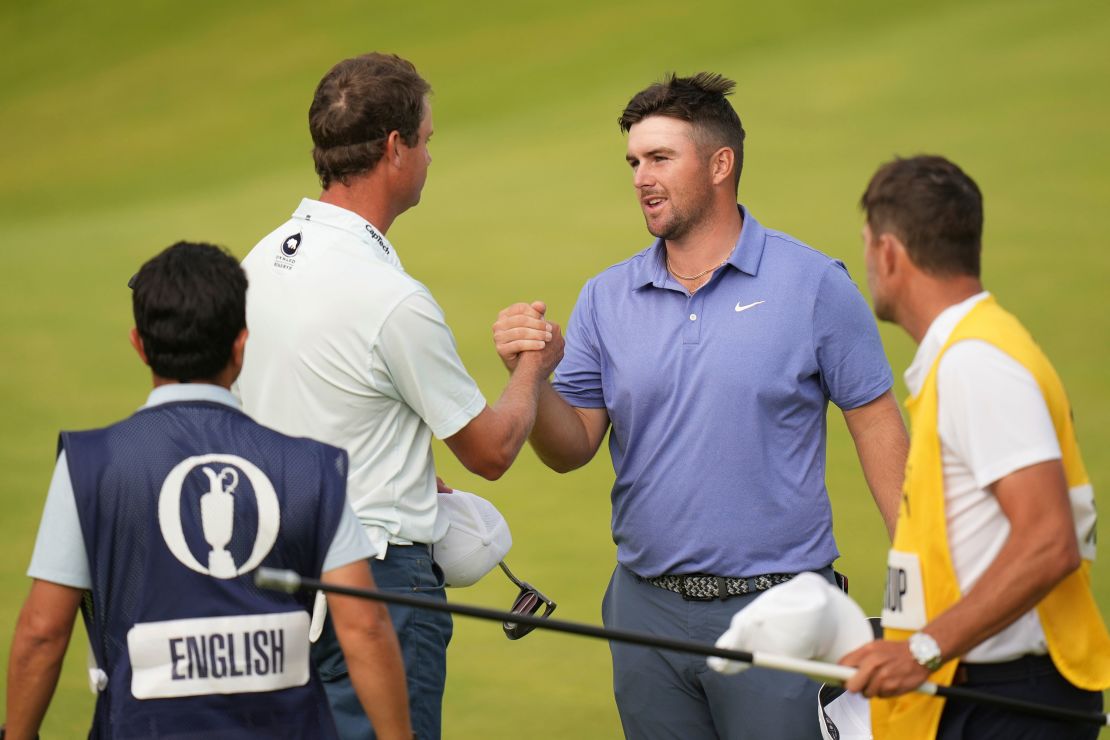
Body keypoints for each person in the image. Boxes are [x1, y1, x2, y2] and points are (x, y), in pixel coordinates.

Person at [494, 72, 908, 739]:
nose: (640, 177)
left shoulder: (812, 284)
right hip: (645, 614)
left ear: (720, 164)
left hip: (780, 612)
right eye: (633, 161)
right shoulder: (607, 296)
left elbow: (878, 427)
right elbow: (570, 448)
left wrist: (921, 585)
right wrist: (535, 378)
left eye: (660, 159)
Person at [236, 53, 563, 739]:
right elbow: (492, 451)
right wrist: (533, 364)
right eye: (427, 140)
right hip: (380, 587)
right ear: (395, 149)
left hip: (267, 577)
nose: (430, 157)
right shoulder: (393, 298)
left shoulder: (257, 262)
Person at [3, 242, 411, 739]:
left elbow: (43, 633)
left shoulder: (91, 464)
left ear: (139, 345)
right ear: (241, 345)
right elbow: (364, 626)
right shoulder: (312, 466)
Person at [839, 155, 1110, 738]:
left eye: (867, 246)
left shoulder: (975, 364)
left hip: (1009, 696)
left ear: (889, 253)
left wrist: (922, 650)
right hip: (984, 684)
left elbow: (1050, 540)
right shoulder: (973, 352)